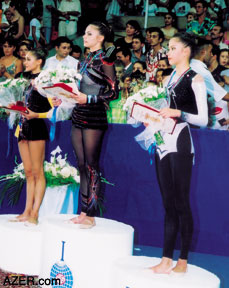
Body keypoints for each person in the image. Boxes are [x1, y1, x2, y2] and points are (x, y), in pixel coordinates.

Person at [149, 32, 208, 274]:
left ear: (186, 51)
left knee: (181, 202)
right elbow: (164, 109)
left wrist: (178, 113)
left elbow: (203, 119)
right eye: (168, 48)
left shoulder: (196, 79)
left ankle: (182, 260)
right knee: (168, 204)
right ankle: (165, 259)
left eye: (172, 48)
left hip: (181, 143)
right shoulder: (170, 78)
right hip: (163, 141)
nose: (167, 52)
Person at [68, 21, 117, 228]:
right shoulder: (85, 58)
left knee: (91, 165)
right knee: (81, 165)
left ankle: (91, 214)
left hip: (94, 115)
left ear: (101, 38)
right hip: (78, 113)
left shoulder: (105, 58)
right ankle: (82, 210)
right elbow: (80, 87)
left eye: (89, 34)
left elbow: (114, 92)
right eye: (84, 33)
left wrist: (87, 99)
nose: (84, 37)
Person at [10, 47, 51, 225]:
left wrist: (36, 115)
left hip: (36, 126)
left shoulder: (47, 80)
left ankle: (35, 212)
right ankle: (26, 210)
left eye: (28, 59)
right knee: (27, 172)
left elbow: (55, 110)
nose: (25, 62)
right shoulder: (23, 80)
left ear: (39, 61)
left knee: (37, 171)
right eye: (24, 59)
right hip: (23, 127)